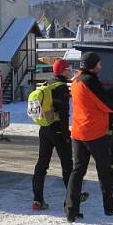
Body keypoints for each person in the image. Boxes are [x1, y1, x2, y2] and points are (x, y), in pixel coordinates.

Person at [65, 52, 113, 222]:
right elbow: (106, 104)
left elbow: (97, 96)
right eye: (99, 64)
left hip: (79, 131)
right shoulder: (90, 81)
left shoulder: (77, 80)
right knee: (104, 170)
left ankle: (71, 210)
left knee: (78, 171)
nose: (101, 67)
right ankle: (110, 206)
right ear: (92, 65)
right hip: (93, 132)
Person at [31, 59, 75, 210]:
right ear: (63, 70)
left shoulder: (47, 83)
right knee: (67, 165)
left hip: (44, 129)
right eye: (69, 68)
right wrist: (66, 135)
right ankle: (72, 200)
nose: (70, 71)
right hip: (57, 130)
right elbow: (63, 114)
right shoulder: (62, 88)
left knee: (42, 164)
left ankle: (37, 200)